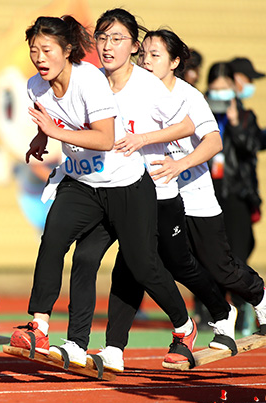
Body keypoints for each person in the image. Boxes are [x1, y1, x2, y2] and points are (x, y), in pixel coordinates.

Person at [9, 15, 192, 371]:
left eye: (47, 50)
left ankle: (184, 327)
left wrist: (54, 132)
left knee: (143, 265)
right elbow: (52, 120)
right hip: (82, 186)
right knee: (60, 245)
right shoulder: (35, 86)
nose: (40, 58)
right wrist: (40, 138)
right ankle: (47, 330)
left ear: (67, 51)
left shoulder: (89, 79)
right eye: (34, 51)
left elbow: (105, 139)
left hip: (125, 186)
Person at [63, 9, 237, 373]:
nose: (108, 46)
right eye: (103, 38)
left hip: (157, 194)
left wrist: (147, 142)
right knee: (105, 262)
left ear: (133, 45)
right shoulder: (93, 82)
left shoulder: (149, 85)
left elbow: (189, 126)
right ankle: (97, 345)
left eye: (117, 39)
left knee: (175, 265)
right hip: (112, 192)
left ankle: (218, 313)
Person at [140, 28, 266, 347]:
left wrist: (180, 164)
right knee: (169, 264)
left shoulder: (189, 96)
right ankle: (220, 319)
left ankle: (263, 302)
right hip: (161, 200)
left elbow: (213, 141)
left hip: (196, 198)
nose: (145, 62)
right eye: (143, 55)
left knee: (222, 268)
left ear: (175, 62)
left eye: (154, 55)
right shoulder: (135, 96)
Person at [206, 62, 263, 327]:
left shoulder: (246, 116)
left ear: (234, 89)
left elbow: (251, 146)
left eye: (224, 89)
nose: (219, 95)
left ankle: (243, 309)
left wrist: (236, 122)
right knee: (205, 251)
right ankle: (209, 311)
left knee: (238, 251)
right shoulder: (198, 111)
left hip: (235, 192)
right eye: (214, 90)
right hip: (208, 188)